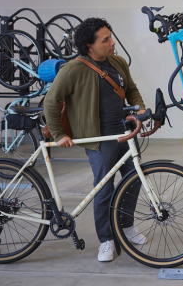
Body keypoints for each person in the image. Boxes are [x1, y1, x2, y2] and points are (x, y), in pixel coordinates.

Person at [44, 17, 147, 262]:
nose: (112, 43)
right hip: (99, 139)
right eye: (106, 40)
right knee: (104, 189)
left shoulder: (118, 62)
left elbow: (131, 89)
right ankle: (106, 241)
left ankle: (127, 226)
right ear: (90, 46)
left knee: (134, 181)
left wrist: (139, 108)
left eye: (111, 37)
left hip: (124, 133)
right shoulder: (73, 69)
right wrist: (60, 134)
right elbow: (51, 101)